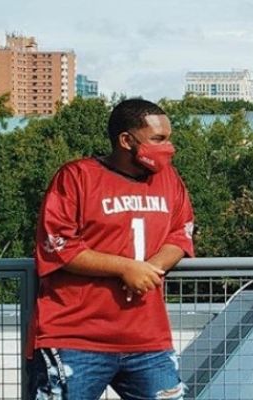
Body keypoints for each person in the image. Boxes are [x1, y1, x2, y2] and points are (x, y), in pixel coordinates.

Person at [28, 99, 195, 399]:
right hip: (75, 337)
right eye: (158, 139)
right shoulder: (76, 177)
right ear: (126, 141)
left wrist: (149, 269)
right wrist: (125, 267)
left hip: (148, 339)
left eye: (168, 138)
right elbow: (58, 245)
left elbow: (181, 234)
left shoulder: (169, 180)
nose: (168, 147)